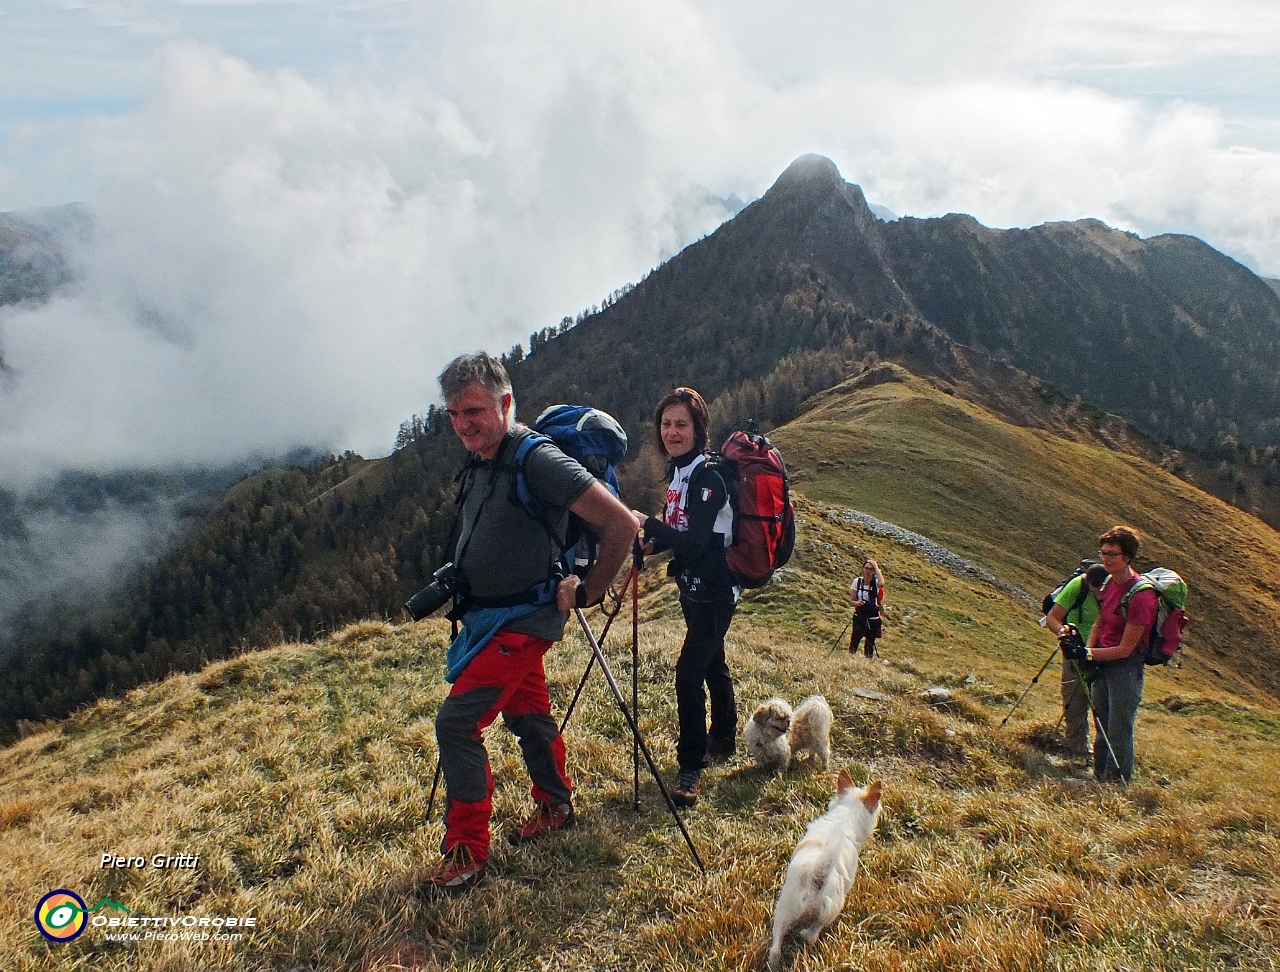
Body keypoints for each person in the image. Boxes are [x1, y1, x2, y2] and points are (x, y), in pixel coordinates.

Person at [424, 352, 635, 895]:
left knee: (456, 725)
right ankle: (556, 805)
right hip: (490, 620)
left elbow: (619, 524)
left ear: (505, 402)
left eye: (473, 409)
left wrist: (588, 591)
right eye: (452, 413)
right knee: (528, 713)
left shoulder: (537, 459)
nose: (462, 423)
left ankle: (466, 852)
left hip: (524, 619)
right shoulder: (481, 456)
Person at [631, 387, 738, 808]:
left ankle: (691, 766)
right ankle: (724, 736)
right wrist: (653, 543)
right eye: (666, 424)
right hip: (693, 589)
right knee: (713, 662)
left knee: (688, 673)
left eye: (682, 425)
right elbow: (681, 534)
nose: (672, 432)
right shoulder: (680, 472)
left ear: (699, 430)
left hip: (715, 592)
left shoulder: (707, 478)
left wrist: (650, 526)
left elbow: (695, 543)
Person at [1060, 526, 1157, 785]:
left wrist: (1088, 653)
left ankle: (1118, 784)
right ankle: (1099, 777)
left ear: (1127, 557)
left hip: (1125, 666)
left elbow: (1126, 648)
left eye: (1111, 554)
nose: (1105, 559)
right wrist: (1086, 653)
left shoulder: (1141, 595)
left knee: (1119, 727)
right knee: (1101, 721)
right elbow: (1100, 623)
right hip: (1103, 661)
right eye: (1102, 552)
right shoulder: (1111, 583)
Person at [1044, 563, 1110, 762]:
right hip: (1076, 648)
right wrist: (1063, 634)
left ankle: (1105, 752)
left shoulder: (1118, 590)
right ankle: (1076, 749)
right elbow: (1052, 618)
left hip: (1106, 650)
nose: (1099, 592)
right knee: (1074, 699)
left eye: (1102, 587)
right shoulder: (1077, 586)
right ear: (1088, 583)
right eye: (1094, 587)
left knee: (1103, 701)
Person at [848, 559, 885, 657]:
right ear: (863, 569)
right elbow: (851, 602)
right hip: (860, 615)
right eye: (866, 568)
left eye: (871, 569)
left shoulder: (876, 583)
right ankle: (850, 658)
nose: (868, 571)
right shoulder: (857, 582)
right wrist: (857, 603)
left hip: (873, 617)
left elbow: (882, 584)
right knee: (855, 638)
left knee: (870, 642)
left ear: (874, 572)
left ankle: (867, 662)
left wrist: (877, 568)